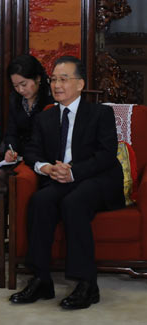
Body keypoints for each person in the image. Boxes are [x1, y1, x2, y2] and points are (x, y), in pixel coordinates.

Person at [9, 56, 125, 309]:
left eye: (64, 79)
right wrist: (46, 167)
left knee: (74, 202)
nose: (57, 85)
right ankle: (41, 279)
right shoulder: (45, 118)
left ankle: (87, 284)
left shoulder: (100, 113)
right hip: (61, 178)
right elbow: (31, 152)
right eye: (53, 80)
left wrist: (73, 172)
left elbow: (107, 154)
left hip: (98, 179)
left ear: (80, 84)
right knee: (40, 200)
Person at [3, 54, 54, 162]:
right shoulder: (15, 99)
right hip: (19, 158)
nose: (20, 90)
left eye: (24, 84)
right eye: (15, 86)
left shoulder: (51, 98)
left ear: (38, 78)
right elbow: (11, 132)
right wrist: (10, 150)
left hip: (44, 160)